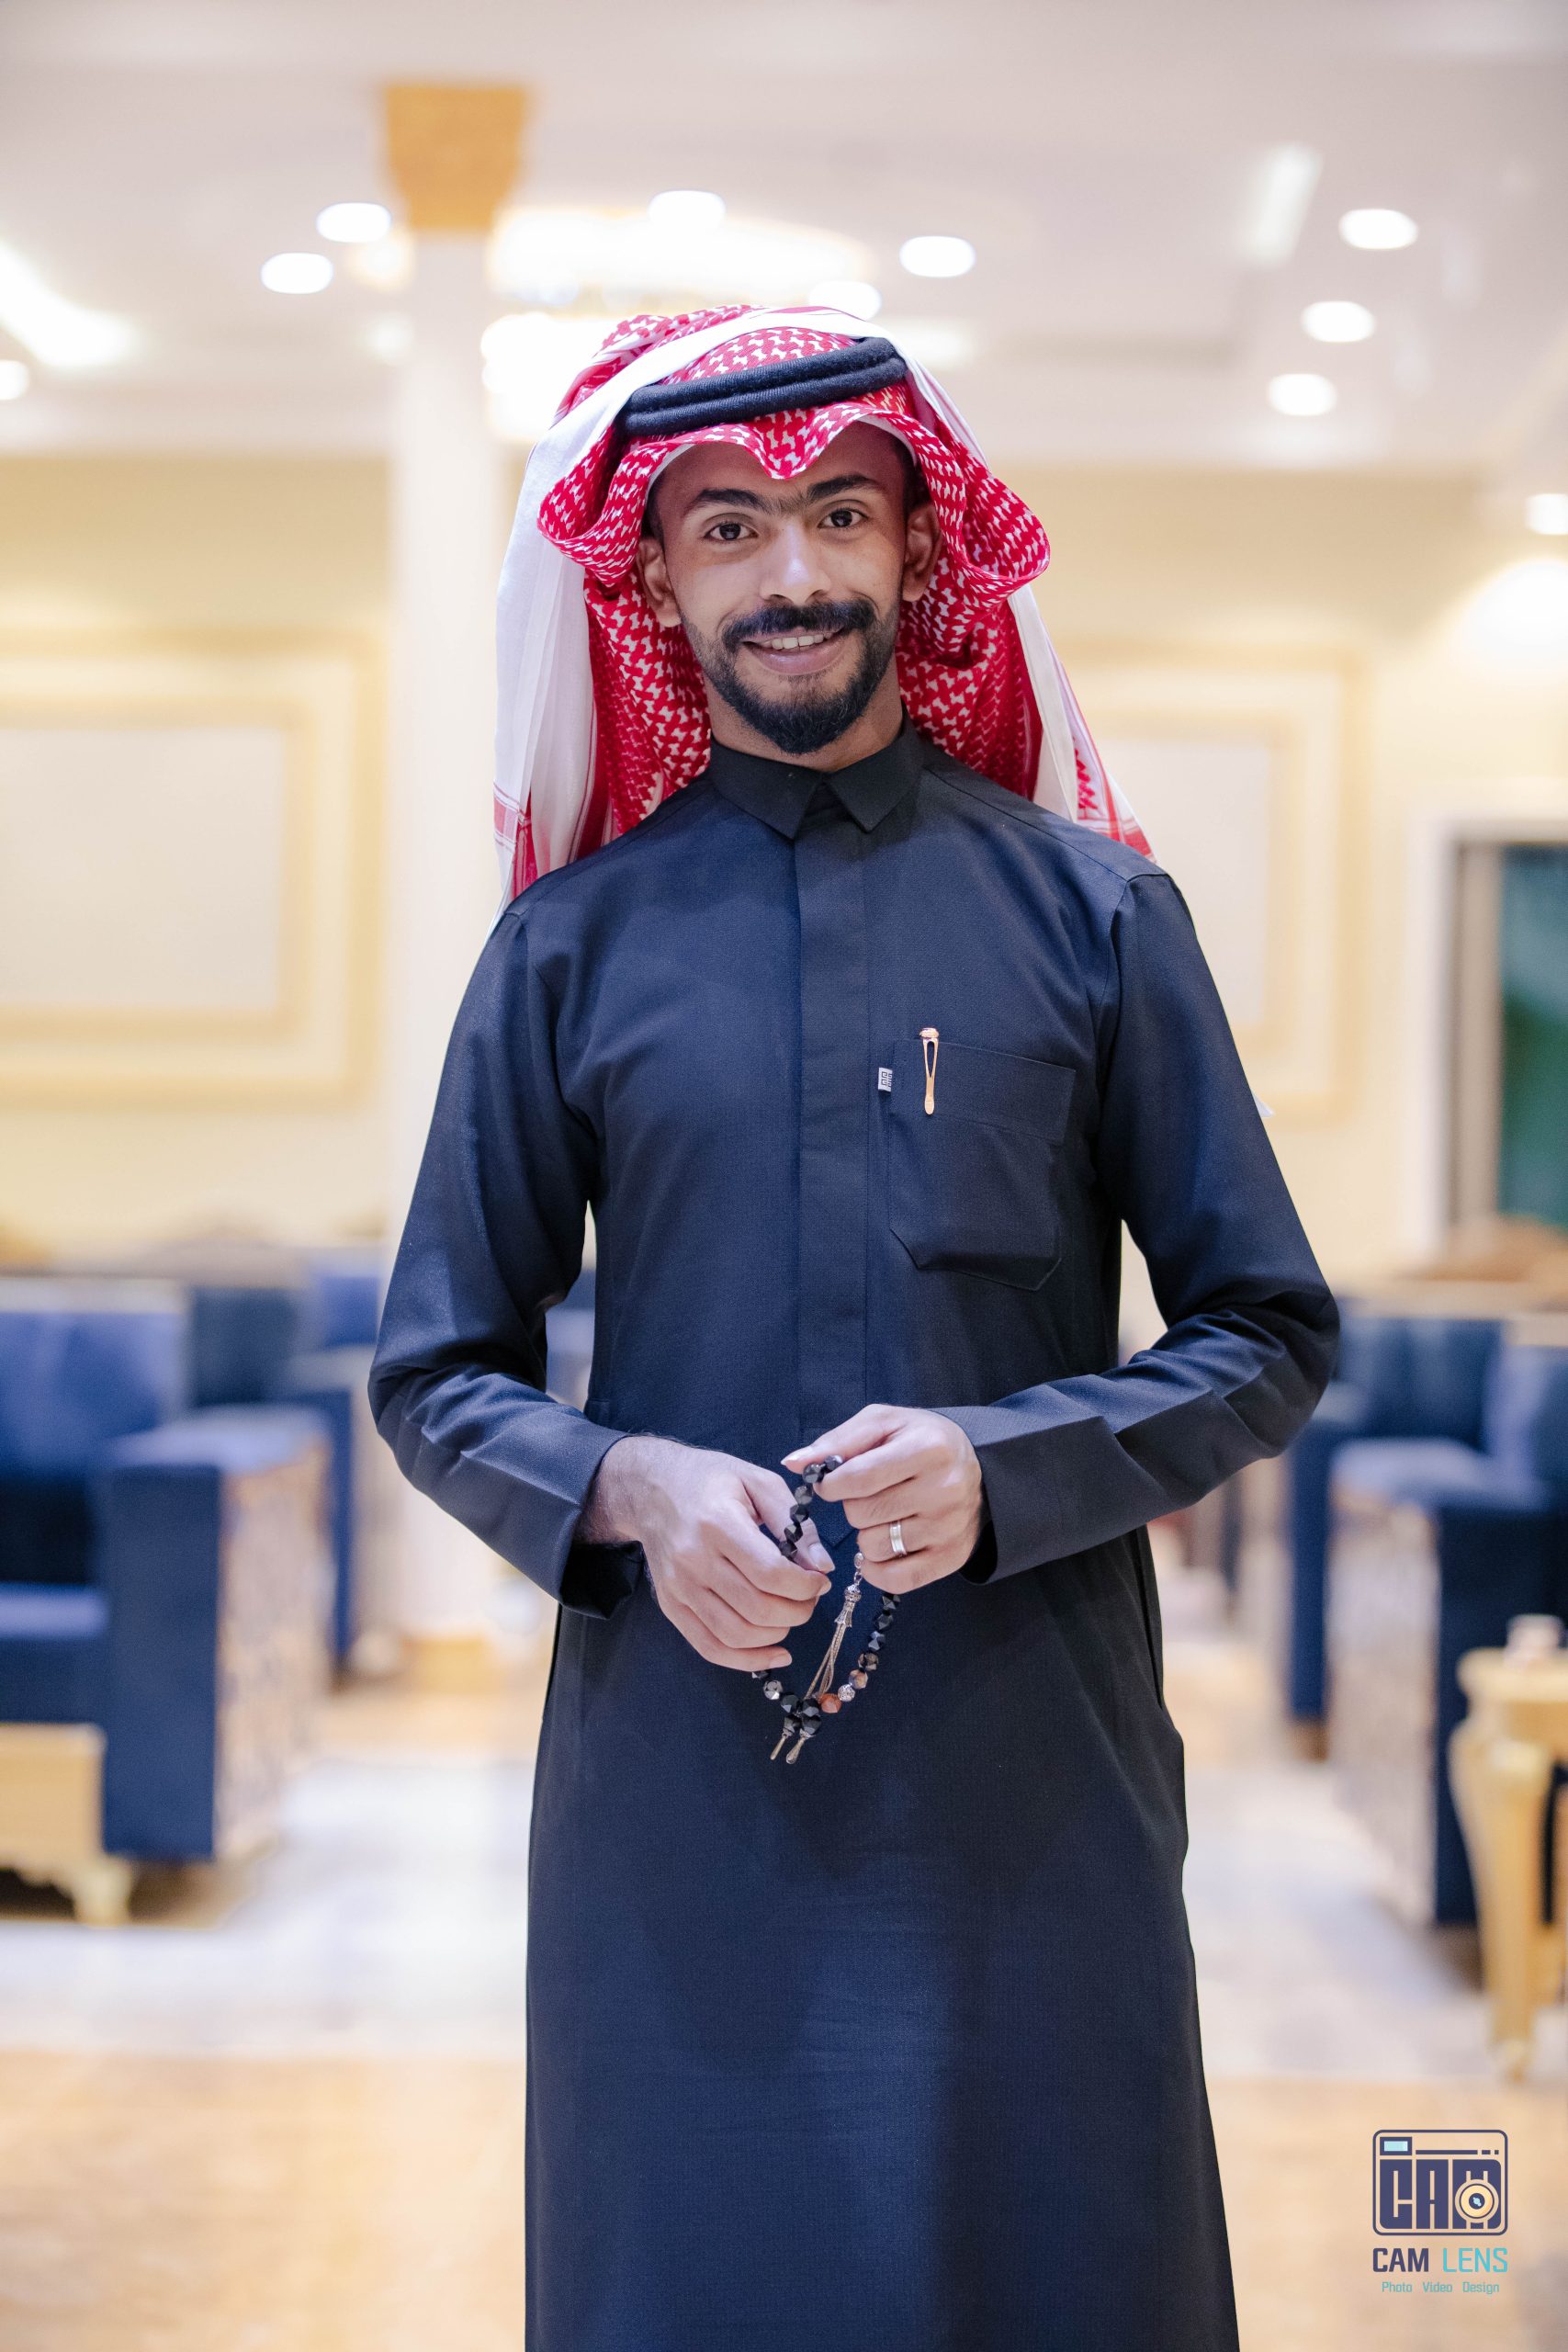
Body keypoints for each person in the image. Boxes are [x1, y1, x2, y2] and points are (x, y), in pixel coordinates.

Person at [369, 306, 1337, 2352]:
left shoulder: (1096, 915)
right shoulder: (566, 948)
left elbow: (1265, 1327)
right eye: (727, 526)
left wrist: (1010, 1462)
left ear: (916, 546)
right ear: (657, 583)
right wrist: (625, 1484)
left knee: (1054, 2267)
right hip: (681, 1783)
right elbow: (434, 1371)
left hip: (1030, 1766)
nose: (789, 570)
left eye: (836, 513)